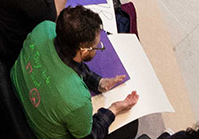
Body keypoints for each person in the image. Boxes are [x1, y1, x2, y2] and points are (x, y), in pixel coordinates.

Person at [14, 8, 147, 139]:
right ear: (83, 51)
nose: (98, 48)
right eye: (97, 46)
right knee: (130, 126)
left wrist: (98, 82)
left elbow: (68, 60)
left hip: (16, 96)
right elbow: (89, 136)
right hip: (37, 132)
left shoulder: (44, 28)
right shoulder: (78, 100)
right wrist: (114, 109)